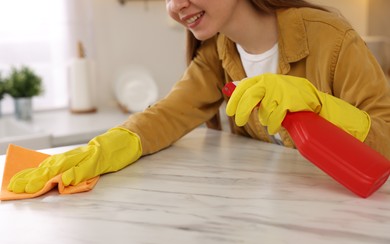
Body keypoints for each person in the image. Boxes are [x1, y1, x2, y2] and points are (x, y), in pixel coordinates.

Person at [8, 0, 390, 194]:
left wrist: (320, 106)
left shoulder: (331, 39)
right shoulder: (217, 53)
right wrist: (105, 148)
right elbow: (167, 115)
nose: (175, 7)